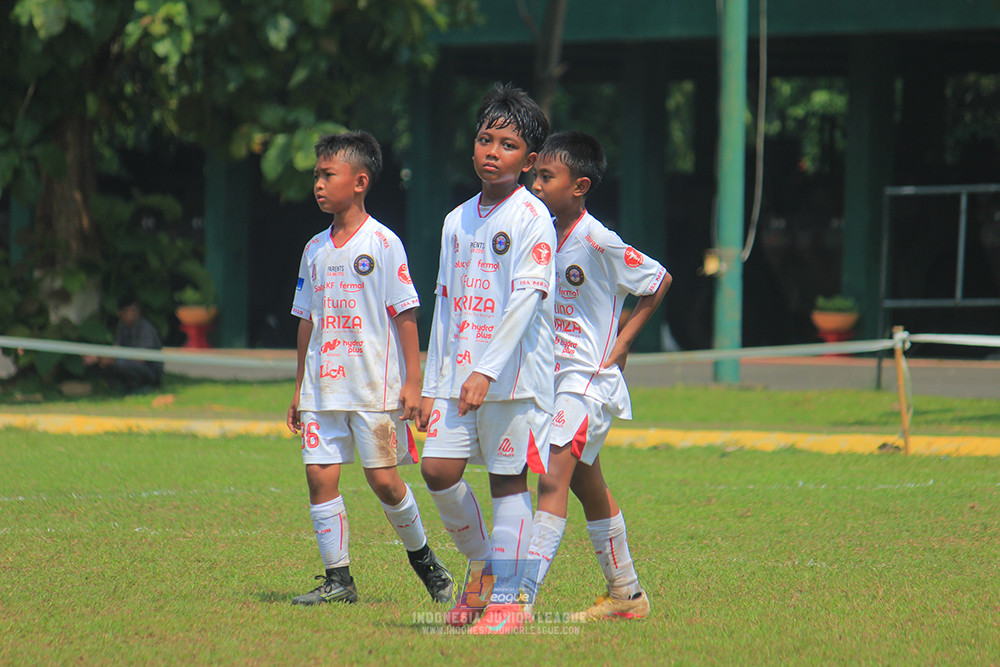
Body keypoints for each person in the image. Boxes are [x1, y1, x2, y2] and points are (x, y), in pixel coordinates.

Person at [286, 130, 454, 606]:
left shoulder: (383, 243)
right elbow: (306, 320)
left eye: (327, 175)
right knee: (319, 477)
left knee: (384, 481)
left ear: (359, 182)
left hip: (373, 389)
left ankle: (425, 562)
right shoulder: (314, 248)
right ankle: (338, 580)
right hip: (322, 387)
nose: (318, 184)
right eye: (316, 175)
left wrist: (414, 382)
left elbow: (405, 314)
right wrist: (299, 386)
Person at [416, 82, 554, 632]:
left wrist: (486, 369)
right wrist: (432, 383)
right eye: (484, 139)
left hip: (513, 379)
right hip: (458, 377)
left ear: (530, 161)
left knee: (507, 483)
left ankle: (511, 604)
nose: (492, 151)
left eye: (508, 144)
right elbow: (446, 307)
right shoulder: (456, 220)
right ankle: (484, 572)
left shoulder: (531, 217)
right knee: (437, 469)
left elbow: (526, 300)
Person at [521, 130, 671, 624]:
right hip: (552, 378)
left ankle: (517, 601)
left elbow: (657, 279)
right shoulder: (539, 236)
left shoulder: (596, 238)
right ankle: (627, 595)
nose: (537, 185)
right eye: (536, 174)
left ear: (579, 185)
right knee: (588, 485)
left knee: (551, 478)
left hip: (585, 380)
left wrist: (623, 343)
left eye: (548, 176)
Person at [83, 294, 164, 394]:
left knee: (120, 363)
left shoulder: (145, 328)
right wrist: (100, 358)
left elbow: (141, 358)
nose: (130, 314)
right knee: (94, 363)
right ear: (120, 313)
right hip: (128, 362)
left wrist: (112, 359)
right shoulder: (122, 325)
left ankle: (143, 386)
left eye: (133, 311)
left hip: (150, 369)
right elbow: (117, 348)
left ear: (138, 312)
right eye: (127, 311)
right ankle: (117, 386)